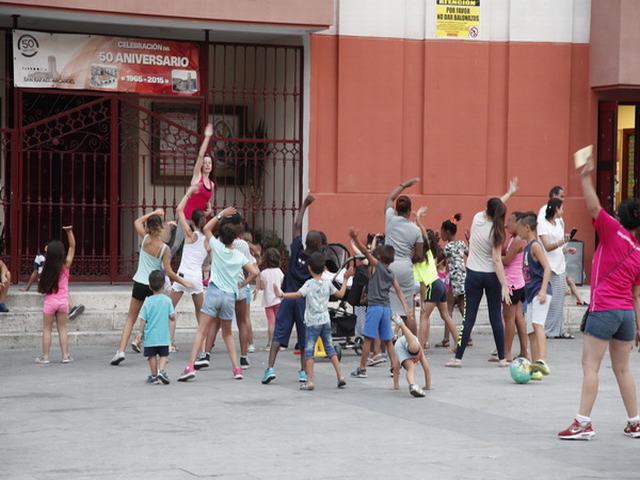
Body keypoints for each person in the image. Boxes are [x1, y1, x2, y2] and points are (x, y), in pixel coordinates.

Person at [558, 157, 640, 440]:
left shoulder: (612, 231)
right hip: (627, 315)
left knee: (590, 366)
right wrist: (639, 327)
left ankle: (583, 423)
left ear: (621, 215)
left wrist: (584, 177)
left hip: (604, 309)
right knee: (623, 369)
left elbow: (593, 207)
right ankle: (635, 421)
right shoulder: (638, 250)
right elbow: (636, 293)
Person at [178, 208, 260, 382]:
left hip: (214, 292)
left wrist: (220, 214)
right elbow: (254, 272)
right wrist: (243, 284)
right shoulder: (238, 255)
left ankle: (190, 366)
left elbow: (206, 228)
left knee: (202, 331)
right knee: (228, 334)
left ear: (221, 236)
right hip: (230, 296)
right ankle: (237, 368)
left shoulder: (216, 247)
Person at [446, 178, 518, 368]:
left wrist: (509, 193)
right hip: (491, 276)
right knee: (495, 315)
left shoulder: (478, 218)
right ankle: (502, 358)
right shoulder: (497, 231)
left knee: (469, 316)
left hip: (473, 275)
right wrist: (504, 285)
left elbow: (494, 206)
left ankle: (457, 358)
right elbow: (496, 261)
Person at [110, 210, 192, 366]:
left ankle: (120, 351)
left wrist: (153, 213)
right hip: (154, 285)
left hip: (139, 283)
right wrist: (184, 281)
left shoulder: (146, 239)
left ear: (148, 228)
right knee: (157, 318)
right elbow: (169, 272)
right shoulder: (164, 248)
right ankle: (159, 350)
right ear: (160, 227)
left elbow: (136, 222)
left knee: (130, 318)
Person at [261, 195, 323, 385]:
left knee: (279, 335)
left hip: (287, 299)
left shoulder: (297, 250)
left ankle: (270, 368)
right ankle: (303, 372)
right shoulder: (317, 260)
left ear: (306, 242)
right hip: (304, 302)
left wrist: (304, 204)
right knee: (304, 338)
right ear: (319, 245)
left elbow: (296, 226)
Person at [274, 252, 351, 391]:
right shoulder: (328, 283)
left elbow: (298, 294)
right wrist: (345, 279)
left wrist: (282, 295)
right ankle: (340, 376)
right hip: (325, 321)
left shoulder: (309, 284)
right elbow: (340, 294)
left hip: (312, 322)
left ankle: (310, 381)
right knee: (330, 348)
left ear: (309, 268)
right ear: (324, 269)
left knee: (309, 350)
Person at [348, 228, 413, 389]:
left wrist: (356, 238)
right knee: (388, 341)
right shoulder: (391, 273)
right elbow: (398, 291)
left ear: (380, 257)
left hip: (375, 308)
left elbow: (364, 252)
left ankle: (362, 368)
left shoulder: (377, 266)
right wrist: (406, 308)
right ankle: (394, 367)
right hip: (387, 309)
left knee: (368, 339)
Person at [169, 187, 209, 354]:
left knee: (169, 309)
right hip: (197, 278)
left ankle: (169, 342)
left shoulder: (189, 235)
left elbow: (179, 209)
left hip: (182, 276)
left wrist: (189, 193)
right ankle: (203, 348)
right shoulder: (208, 239)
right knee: (200, 314)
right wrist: (213, 214)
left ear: (192, 221)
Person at [412, 207, 458, 350]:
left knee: (424, 317)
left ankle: (419, 348)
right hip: (440, 285)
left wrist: (423, 300)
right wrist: (418, 220)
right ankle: (458, 343)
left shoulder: (418, 260)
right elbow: (424, 236)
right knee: (446, 316)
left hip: (431, 286)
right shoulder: (431, 253)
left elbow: (422, 284)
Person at [384, 177, 424, 334]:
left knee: (386, 310)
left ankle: (383, 348)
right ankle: (413, 346)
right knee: (408, 312)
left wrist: (404, 185)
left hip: (389, 267)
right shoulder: (415, 230)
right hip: (406, 269)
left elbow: (389, 198)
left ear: (396, 210)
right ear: (409, 211)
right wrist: (409, 257)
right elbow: (419, 256)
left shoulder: (390, 219)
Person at [517, 212, 552, 381]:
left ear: (527, 228)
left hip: (540, 292)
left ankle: (542, 361)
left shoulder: (535, 246)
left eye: (520, 228)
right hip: (531, 294)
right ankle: (535, 367)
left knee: (538, 325)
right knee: (530, 331)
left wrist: (543, 290)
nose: (518, 232)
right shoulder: (526, 247)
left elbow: (547, 268)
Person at [170, 123, 215, 256]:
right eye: (205, 163)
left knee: (203, 246)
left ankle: (202, 273)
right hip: (186, 216)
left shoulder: (212, 185)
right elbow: (201, 155)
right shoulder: (197, 177)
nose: (207, 165)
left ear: (212, 166)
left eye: (209, 163)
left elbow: (205, 203)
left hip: (198, 220)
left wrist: (209, 211)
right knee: (177, 244)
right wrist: (207, 137)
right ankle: (163, 270)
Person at [35, 226, 76, 364]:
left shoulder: (46, 266)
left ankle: (45, 357)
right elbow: (72, 246)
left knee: (47, 329)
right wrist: (69, 232)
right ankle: (65, 356)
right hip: (63, 302)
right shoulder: (65, 266)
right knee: (62, 329)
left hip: (50, 302)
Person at [538, 197, 576, 339]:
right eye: (561, 208)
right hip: (549, 266)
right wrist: (562, 241)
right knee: (551, 300)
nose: (563, 211)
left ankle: (558, 330)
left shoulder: (559, 223)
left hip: (560, 265)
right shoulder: (543, 224)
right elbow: (547, 246)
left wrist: (566, 248)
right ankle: (548, 330)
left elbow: (558, 247)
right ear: (555, 209)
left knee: (560, 299)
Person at [21, 251, 85, 320]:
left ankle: (71, 309)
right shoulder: (40, 257)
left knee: (60, 287)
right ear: (45, 248)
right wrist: (27, 288)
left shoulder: (55, 259)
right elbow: (35, 273)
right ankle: (71, 308)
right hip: (43, 285)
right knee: (61, 289)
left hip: (50, 285)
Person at [139, 270, 176, 385]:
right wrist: (172, 318)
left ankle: (154, 375)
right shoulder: (167, 301)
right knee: (163, 355)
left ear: (150, 286)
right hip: (164, 335)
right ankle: (162, 371)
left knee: (152, 356)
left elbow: (142, 318)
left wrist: (140, 332)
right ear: (164, 285)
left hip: (150, 336)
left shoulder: (147, 301)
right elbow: (172, 316)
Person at [501, 211, 528, 362]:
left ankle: (507, 353)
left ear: (518, 223)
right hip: (517, 282)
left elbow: (506, 260)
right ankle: (524, 351)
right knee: (518, 318)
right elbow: (505, 252)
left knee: (509, 318)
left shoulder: (518, 240)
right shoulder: (512, 238)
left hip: (512, 284)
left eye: (510, 221)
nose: (507, 224)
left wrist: (493, 256)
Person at [440, 213, 469, 348]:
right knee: (464, 309)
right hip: (463, 278)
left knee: (448, 309)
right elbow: (470, 253)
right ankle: (467, 337)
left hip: (453, 279)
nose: (441, 234)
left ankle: (446, 338)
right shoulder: (462, 244)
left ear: (446, 231)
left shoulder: (447, 247)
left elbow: (439, 260)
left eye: (442, 232)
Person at [391, 314, 431, 397]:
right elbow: (427, 368)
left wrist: (396, 385)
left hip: (405, 342)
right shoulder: (419, 354)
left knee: (411, 367)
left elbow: (396, 368)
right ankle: (401, 325)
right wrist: (428, 385)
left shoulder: (413, 358)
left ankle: (412, 385)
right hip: (404, 344)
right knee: (414, 349)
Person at [259, 247, 284, 351]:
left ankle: (270, 344)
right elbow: (282, 284)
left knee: (271, 322)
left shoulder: (263, 273)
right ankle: (280, 343)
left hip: (268, 300)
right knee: (279, 322)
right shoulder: (280, 272)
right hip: (278, 299)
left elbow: (261, 287)